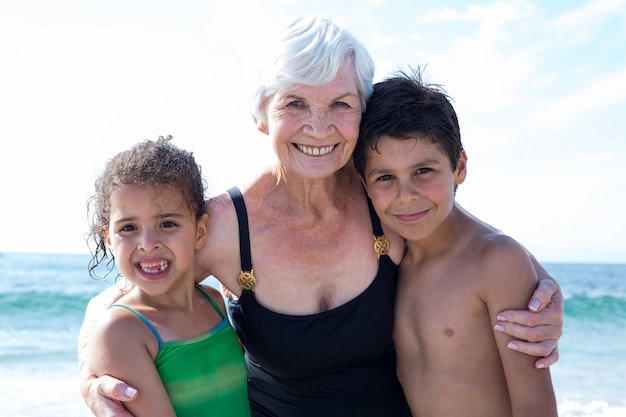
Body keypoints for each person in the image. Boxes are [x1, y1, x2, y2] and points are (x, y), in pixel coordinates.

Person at [78, 16, 564, 417]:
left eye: (340, 104)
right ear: (260, 115)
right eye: (294, 103)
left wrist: (539, 287)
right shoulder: (225, 228)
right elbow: (129, 293)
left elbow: (461, 235)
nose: (318, 125)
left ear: (361, 112)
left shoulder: (383, 198)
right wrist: (90, 371)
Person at [353, 69, 558, 416]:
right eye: (385, 177)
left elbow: (535, 405)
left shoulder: (495, 262)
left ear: (459, 166)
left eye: (423, 171)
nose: (406, 196)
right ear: (363, 183)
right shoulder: (390, 257)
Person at [85, 136, 250, 417]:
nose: (148, 243)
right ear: (109, 240)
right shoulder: (120, 330)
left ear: (200, 231)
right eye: (128, 228)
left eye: (168, 223)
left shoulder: (213, 301)